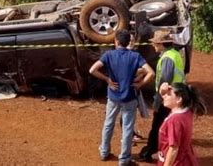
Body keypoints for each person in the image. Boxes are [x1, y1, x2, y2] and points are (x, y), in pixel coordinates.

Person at [89, 29, 155, 165]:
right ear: (127, 42)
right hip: (129, 97)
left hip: (113, 97)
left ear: (116, 42)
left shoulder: (109, 55)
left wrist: (107, 79)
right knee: (127, 127)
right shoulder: (135, 56)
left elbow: (92, 70)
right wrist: (140, 84)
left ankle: (104, 152)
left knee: (108, 124)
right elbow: (151, 73)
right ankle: (124, 159)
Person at [139, 30, 186, 163]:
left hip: (168, 98)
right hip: (177, 97)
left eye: (155, 43)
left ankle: (148, 152)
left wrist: (157, 103)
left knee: (157, 127)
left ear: (161, 44)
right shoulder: (174, 54)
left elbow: (164, 82)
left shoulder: (166, 59)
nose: (153, 45)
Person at [157, 82, 207, 165]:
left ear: (179, 99)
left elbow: (173, 149)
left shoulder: (174, 120)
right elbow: (169, 101)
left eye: (168, 94)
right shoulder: (187, 110)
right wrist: (162, 91)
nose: (164, 96)